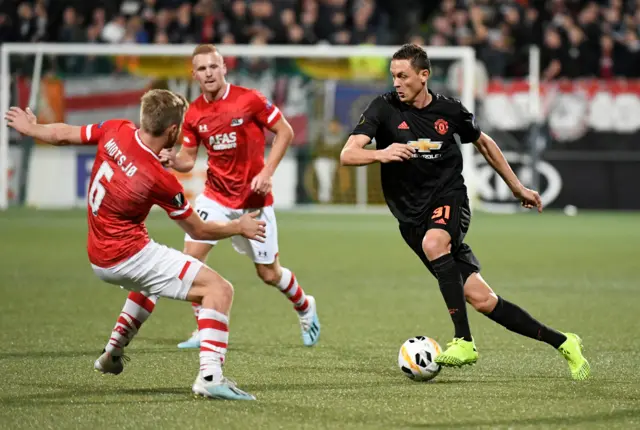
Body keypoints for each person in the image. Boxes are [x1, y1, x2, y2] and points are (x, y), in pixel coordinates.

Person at [340, 44, 590, 381]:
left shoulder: (449, 111)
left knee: (434, 244)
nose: (396, 82)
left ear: (423, 75)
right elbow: (348, 154)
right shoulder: (382, 108)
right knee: (481, 299)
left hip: (450, 199)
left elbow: (484, 143)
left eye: (403, 75)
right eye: (393, 76)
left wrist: (518, 188)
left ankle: (464, 341)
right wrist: (381, 154)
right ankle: (565, 343)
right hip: (410, 219)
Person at [4, 90, 266, 399]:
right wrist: (239, 226)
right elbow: (198, 229)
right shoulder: (158, 178)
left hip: (98, 252)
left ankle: (112, 353)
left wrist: (33, 129)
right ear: (172, 131)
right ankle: (210, 375)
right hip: (125, 255)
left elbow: (64, 134)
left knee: (152, 278)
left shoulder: (116, 129)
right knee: (218, 289)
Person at [159, 44, 320, 349]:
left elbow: (284, 131)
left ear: (224, 69)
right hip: (215, 198)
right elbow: (188, 159)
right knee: (190, 262)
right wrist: (171, 160)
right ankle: (204, 329)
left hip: (253, 202)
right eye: (202, 69)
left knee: (269, 273)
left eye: (213, 67)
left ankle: (304, 305)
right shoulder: (193, 113)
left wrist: (267, 172)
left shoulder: (249, 100)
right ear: (194, 75)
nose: (208, 73)